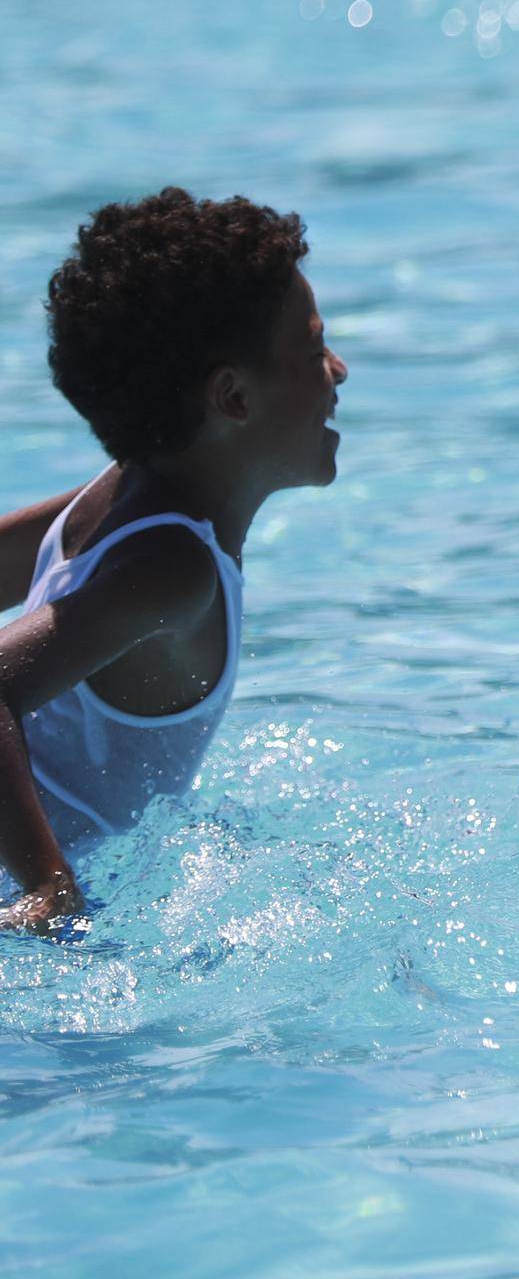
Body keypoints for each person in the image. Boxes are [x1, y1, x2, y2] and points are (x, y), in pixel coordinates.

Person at [0, 190, 346, 932]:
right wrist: (49, 887)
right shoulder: (173, 572)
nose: (339, 370)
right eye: (315, 349)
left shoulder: (115, 497)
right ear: (233, 397)